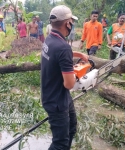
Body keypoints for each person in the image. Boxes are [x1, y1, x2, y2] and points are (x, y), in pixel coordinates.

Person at [41, 5, 88, 150]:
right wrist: (79, 74)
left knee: (71, 128)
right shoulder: (62, 47)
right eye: (71, 22)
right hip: (57, 102)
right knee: (60, 143)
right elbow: (69, 84)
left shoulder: (50, 39)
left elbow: (58, 55)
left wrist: (77, 55)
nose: (72, 25)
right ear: (68, 23)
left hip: (56, 95)